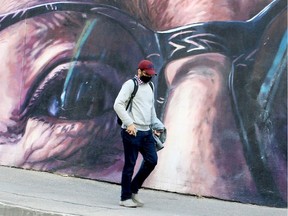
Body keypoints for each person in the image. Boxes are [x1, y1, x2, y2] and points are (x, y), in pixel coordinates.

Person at [114, 59, 165, 207]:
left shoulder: (150, 85)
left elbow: (150, 109)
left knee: (152, 160)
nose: (149, 77)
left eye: (151, 75)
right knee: (130, 164)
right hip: (132, 132)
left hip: (147, 132)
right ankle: (125, 198)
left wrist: (157, 124)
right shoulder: (131, 85)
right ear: (139, 71)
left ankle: (134, 189)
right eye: (146, 74)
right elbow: (118, 105)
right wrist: (129, 123)